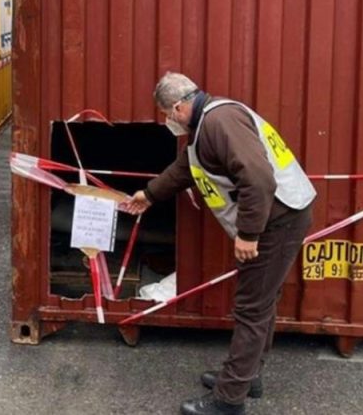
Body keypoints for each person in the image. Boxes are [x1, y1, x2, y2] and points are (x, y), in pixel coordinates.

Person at [122, 73, 316, 415]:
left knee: (251, 307)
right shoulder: (206, 126)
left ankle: (229, 400)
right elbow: (185, 169)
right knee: (262, 300)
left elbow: (258, 178)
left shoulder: (219, 122)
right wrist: (149, 195)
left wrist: (249, 233)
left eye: (167, 114)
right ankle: (247, 375)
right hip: (280, 215)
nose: (169, 122)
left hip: (279, 219)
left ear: (180, 107)